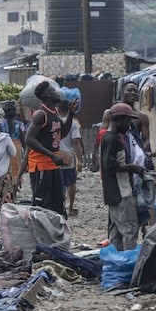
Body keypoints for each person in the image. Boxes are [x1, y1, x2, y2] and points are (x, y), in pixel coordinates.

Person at [17, 81, 75, 217]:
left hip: (53, 166)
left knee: (57, 203)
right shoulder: (40, 115)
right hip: (41, 166)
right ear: (47, 95)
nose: (56, 92)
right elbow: (29, 139)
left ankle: (56, 233)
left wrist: (71, 114)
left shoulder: (54, 112)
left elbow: (63, 132)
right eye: (53, 90)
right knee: (42, 205)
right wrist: (52, 155)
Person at [100, 103, 144, 251]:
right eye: (126, 121)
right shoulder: (111, 139)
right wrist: (133, 168)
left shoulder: (112, 137)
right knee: (130, 229)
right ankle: (128, 265)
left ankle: (115, 265)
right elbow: (110, 165)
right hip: (121, 193)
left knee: (116, 231)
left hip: (114, 193)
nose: (129, 125)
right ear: (118, 120)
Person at [57, 89, 84, 217]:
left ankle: (59, 206)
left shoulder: (54, 121)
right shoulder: (73, 123)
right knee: (71, 183)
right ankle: (71, 208)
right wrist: (79, 159)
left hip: (55, 157)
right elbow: (76, 142)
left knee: (58, 183)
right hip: (69, 158)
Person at [1, 101, 25, 182]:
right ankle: (14, 187)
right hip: (16, 149)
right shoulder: (19, 125)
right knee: (16, 170)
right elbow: (23, 141)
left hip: (4, 149)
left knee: (6, 170)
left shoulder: (1, 124)